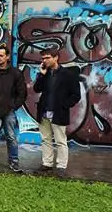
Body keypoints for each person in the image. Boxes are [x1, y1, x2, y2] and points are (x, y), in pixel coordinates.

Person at [33, 47, 81, 175]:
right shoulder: (45, 73)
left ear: (56, 58)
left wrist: (64, 105)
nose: (45, 60)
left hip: (58, 113)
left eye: (47, 58)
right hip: (44, 112)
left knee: (60, 140)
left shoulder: (68, 74)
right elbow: (36, 89)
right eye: (43, 58)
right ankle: (47, 163)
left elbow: (76, 95)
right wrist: (41, 75)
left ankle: (61, 166)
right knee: (45, 139)